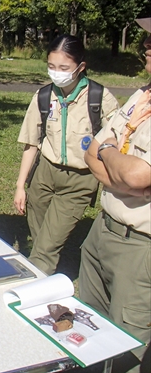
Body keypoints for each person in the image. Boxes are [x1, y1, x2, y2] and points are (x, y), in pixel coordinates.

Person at [79, 19, 151, 373]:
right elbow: (95, 147)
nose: (145, 44)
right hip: (104, 228)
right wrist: (114, 164)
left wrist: (113, 161)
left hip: (139, 245)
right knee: (97, 324)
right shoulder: (141, 95)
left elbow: (141, 178)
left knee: (131, 344)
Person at [14, 34, 119, 275]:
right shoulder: (43, 96)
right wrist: (21, 186)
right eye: (51, 66)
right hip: (44, 175)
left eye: (64, 68)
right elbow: (31, 144)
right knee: (40, 236)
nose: (56, 72)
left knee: (46, 247)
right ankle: (44, 276)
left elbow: (118, 142)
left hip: (80, 180)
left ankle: (34, 289)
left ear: (80, 67)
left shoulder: (99, 98)